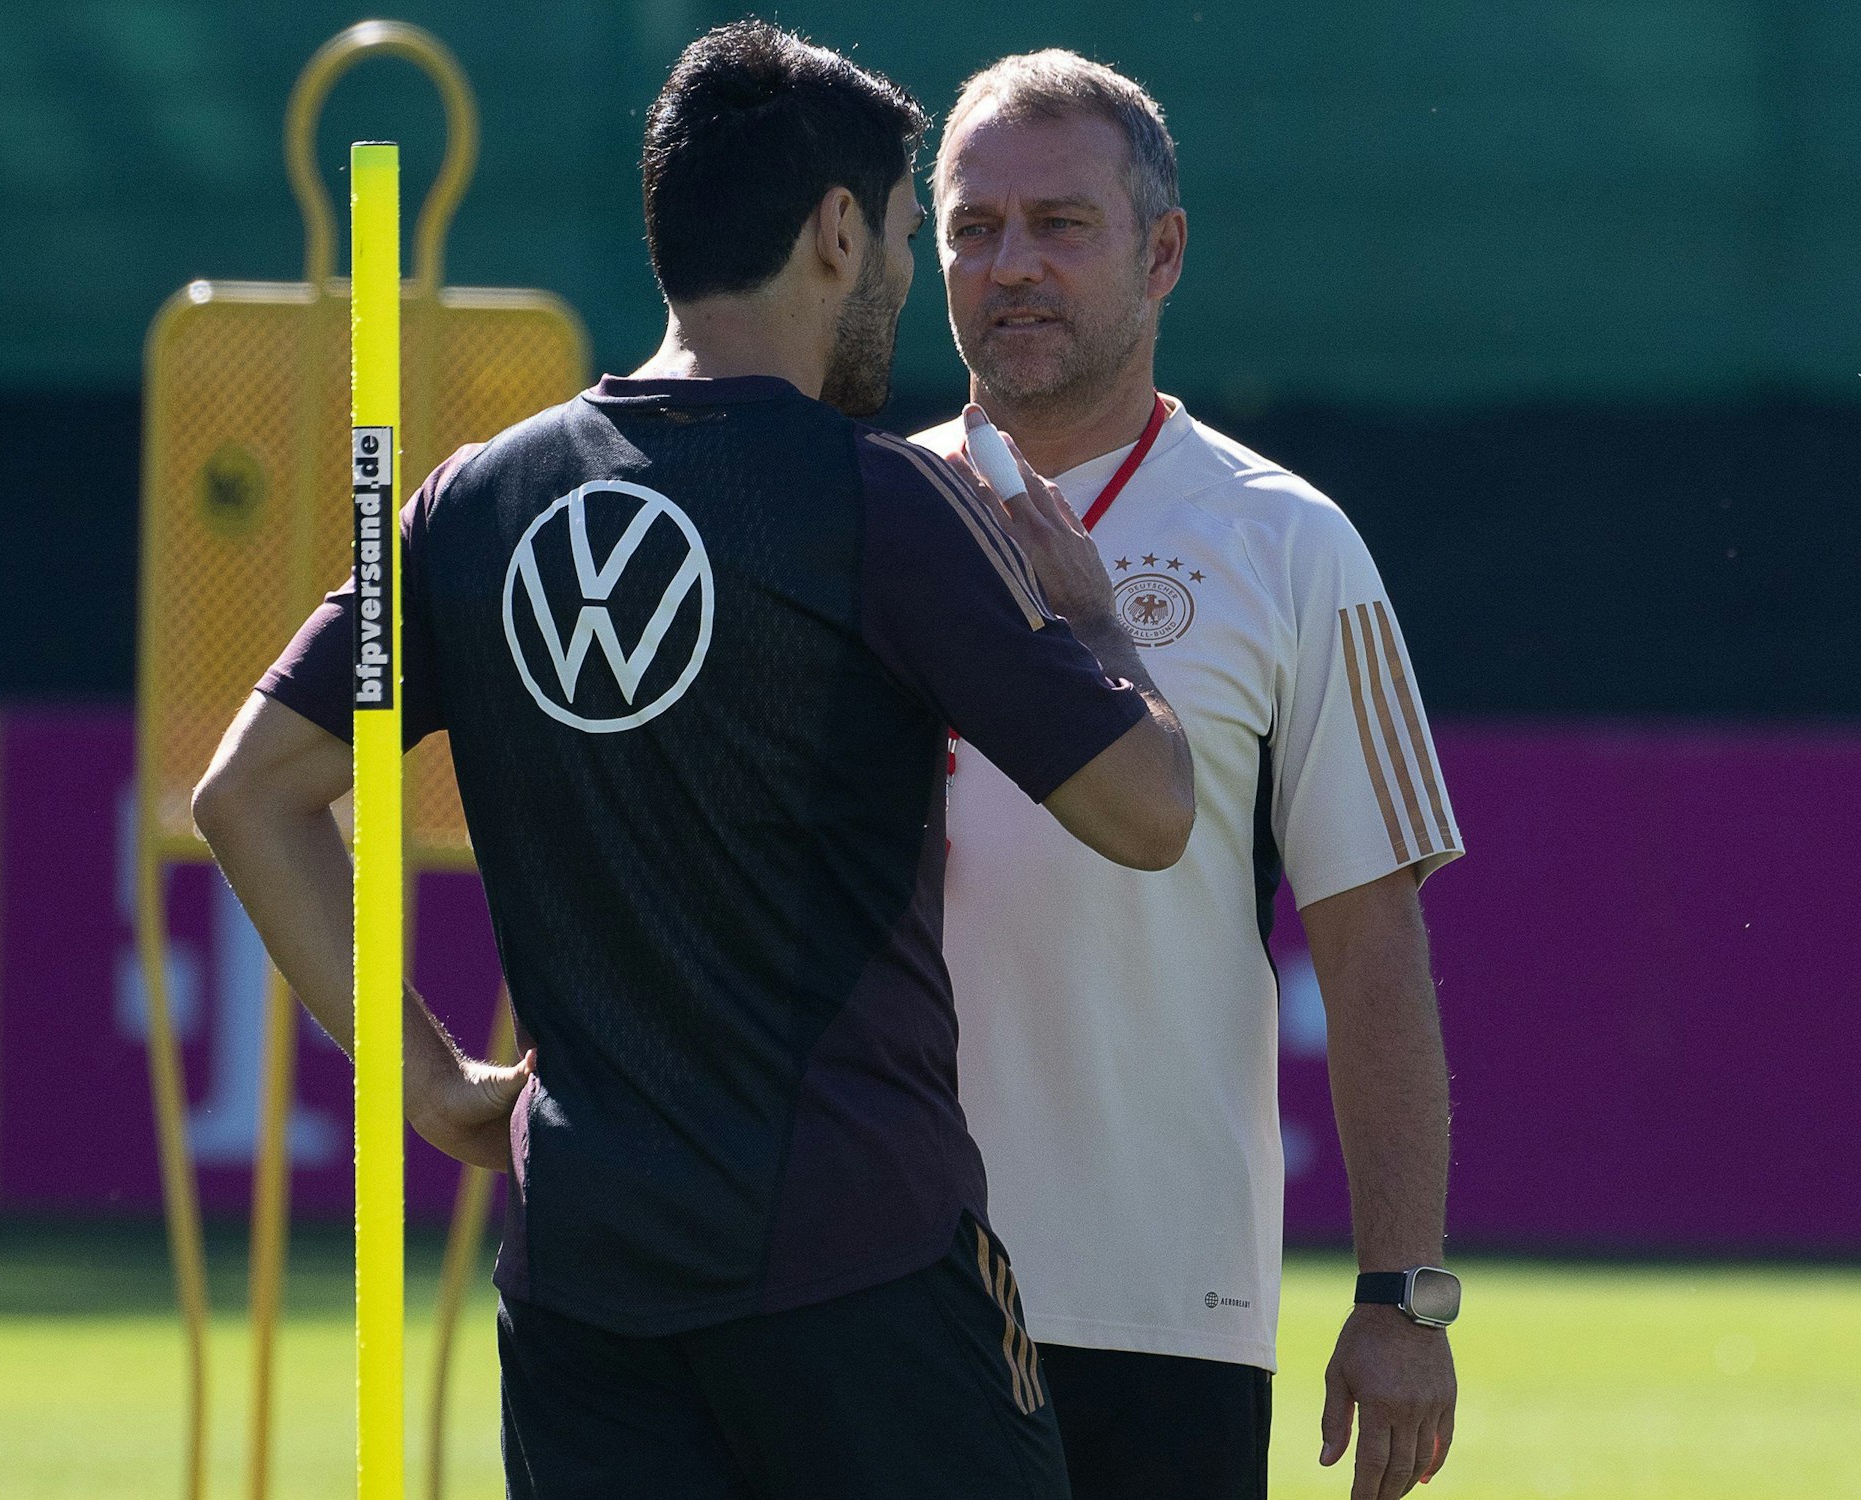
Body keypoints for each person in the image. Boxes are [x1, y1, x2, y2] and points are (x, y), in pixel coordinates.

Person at [192, 22, 1194, 1500]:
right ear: (838, 234)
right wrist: (1102, 625)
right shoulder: (884, 508)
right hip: (863, 1270)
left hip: (584, 1291)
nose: (914, 281)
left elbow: (247, 794)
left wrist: (429, 1084)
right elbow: (1152, 811)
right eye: (913, 234)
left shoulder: (474, 503)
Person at [915, 51, 1465, 1500]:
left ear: (1162, 254)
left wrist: (1401, 1296)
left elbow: (1372, 944)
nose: (1011, 266)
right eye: (974, 229)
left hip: (1162, 1307)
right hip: (873, 1295)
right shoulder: (865, 523)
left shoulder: (1291, 545)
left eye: (1060, 225)